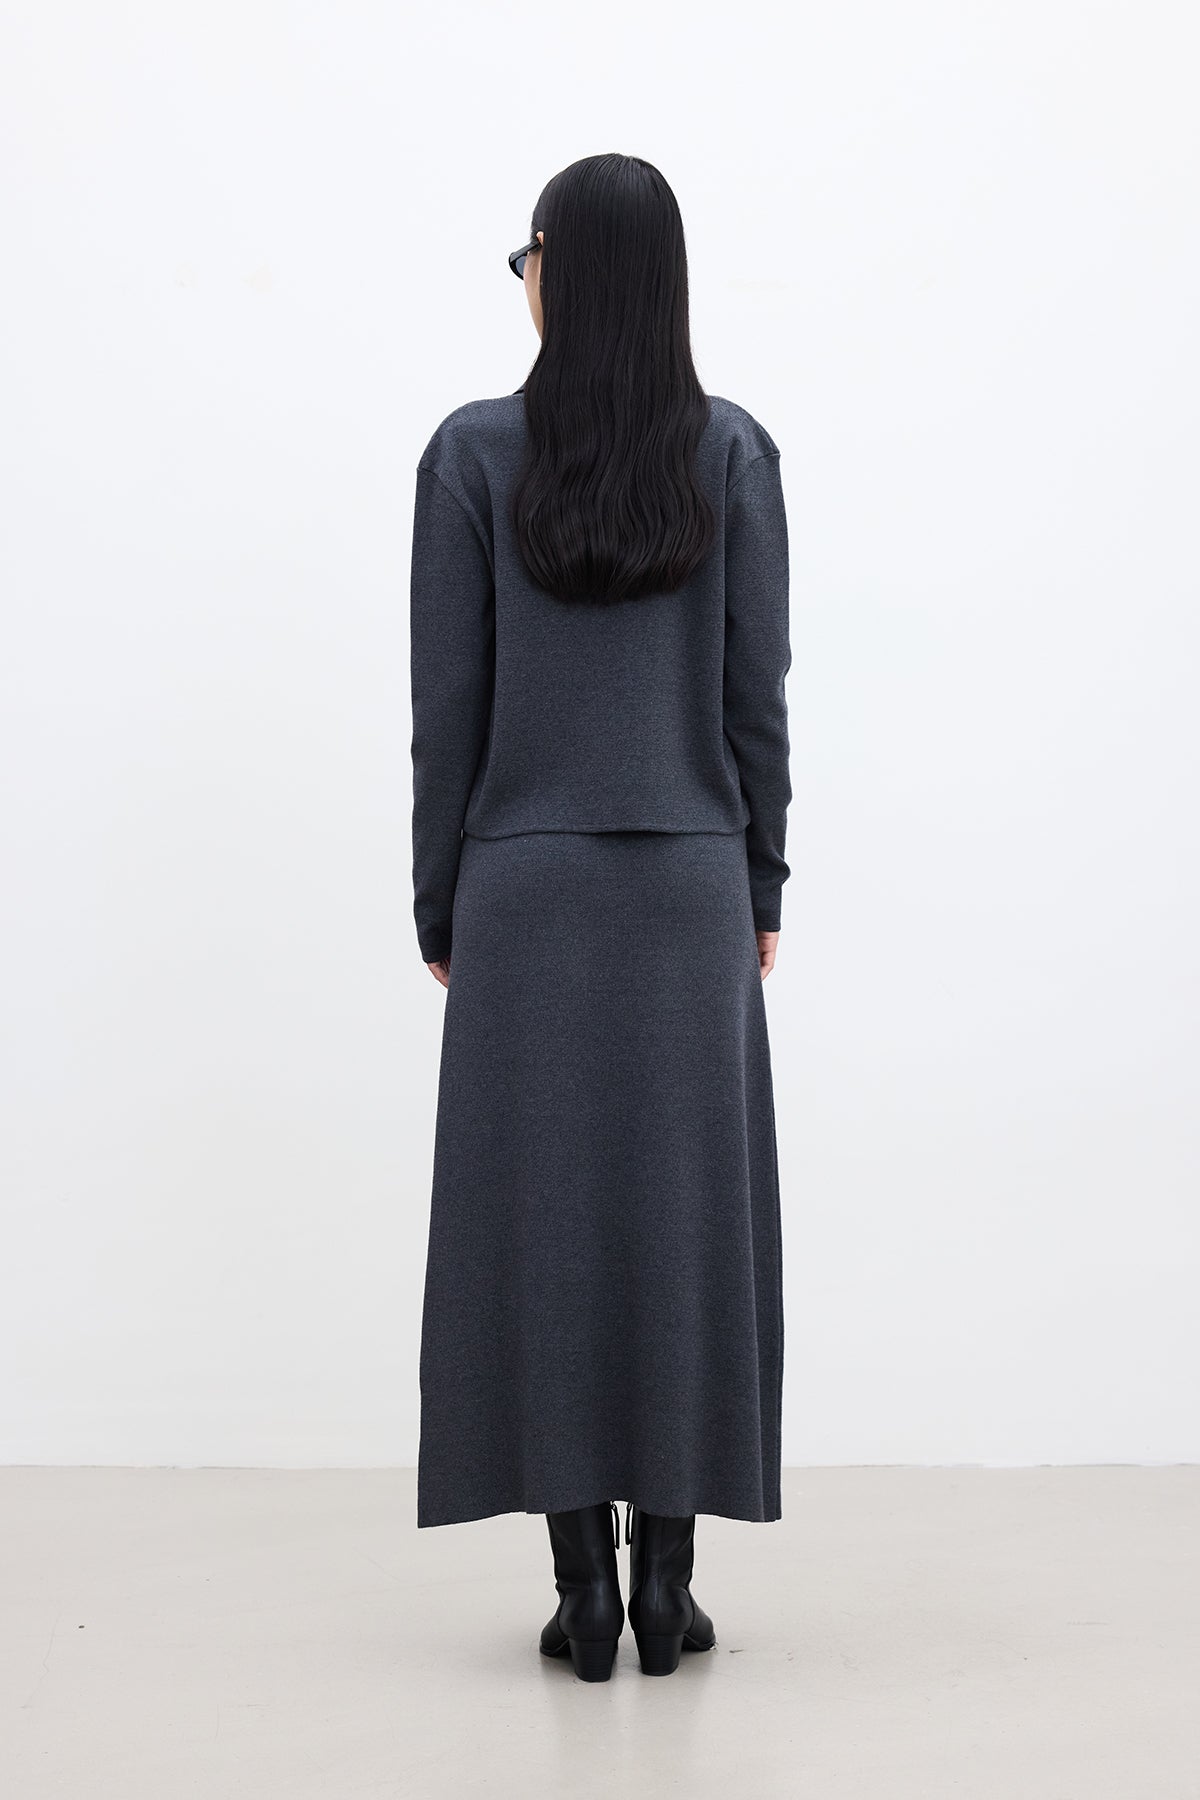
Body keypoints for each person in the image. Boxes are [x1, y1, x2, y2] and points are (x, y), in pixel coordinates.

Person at [409, 153, 791, 1681]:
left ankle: (581, 1593)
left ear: (562, 273)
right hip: (690, 889)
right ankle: (669, 1590)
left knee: (542, 1228)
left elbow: (447, 714)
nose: (523, 280)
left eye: (529, 256)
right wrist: (761, 884)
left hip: (524, 891)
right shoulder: (734, 452)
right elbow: (755, 702)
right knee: (686, 1230)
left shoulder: (469, 455)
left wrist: (440, 902)